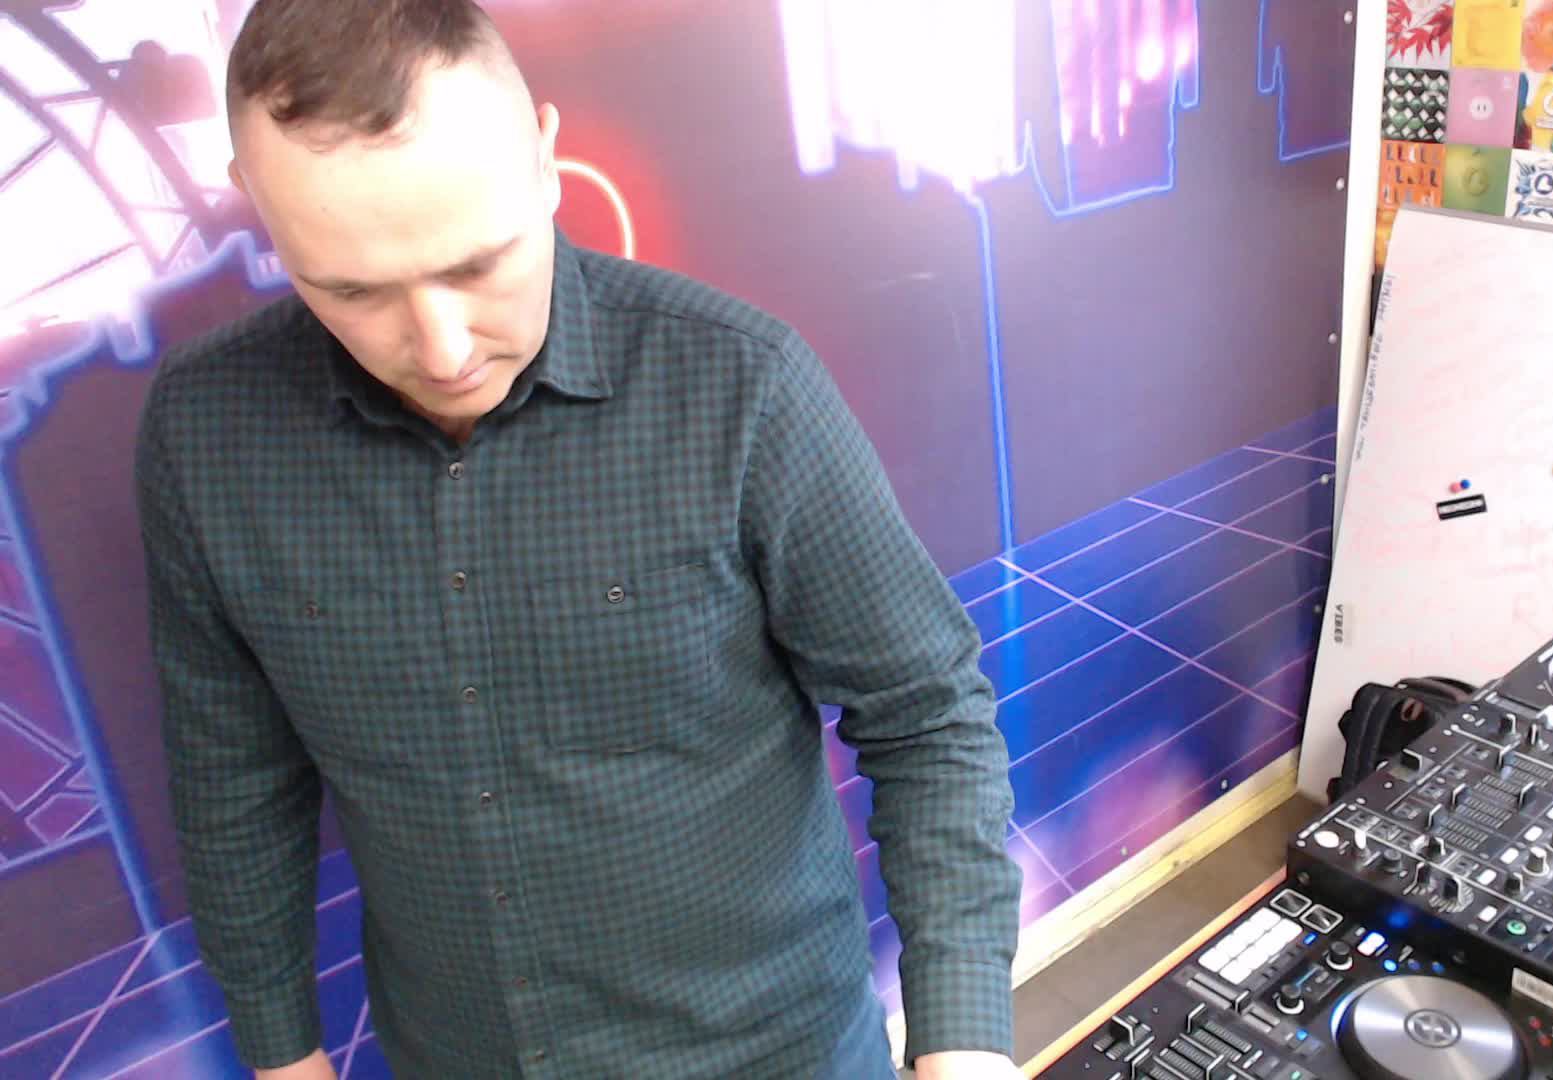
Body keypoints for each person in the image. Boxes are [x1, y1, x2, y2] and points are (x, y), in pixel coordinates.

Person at [132, 1, 1023, 1076]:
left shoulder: (741, 390)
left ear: (548, 158)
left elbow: (926, 713)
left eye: (479, 264)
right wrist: (284, 1057)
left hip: (775, 1053)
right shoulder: (205, 432)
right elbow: (232, 777)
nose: (443, 348)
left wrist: (963, 1041)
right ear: (254, 201)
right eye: (353, 290)